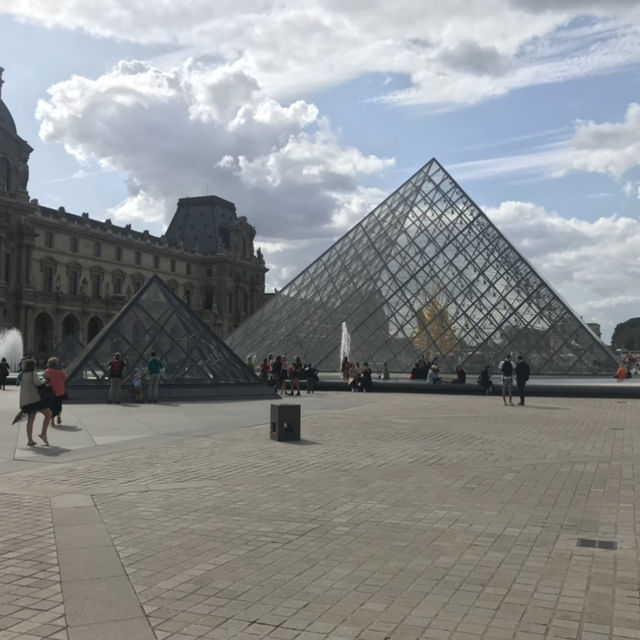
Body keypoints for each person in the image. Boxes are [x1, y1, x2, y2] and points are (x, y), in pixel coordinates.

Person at [19, 358, 52, 446]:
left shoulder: (23, 374)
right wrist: (46, 381)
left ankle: (30, 440)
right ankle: (43, 434)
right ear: (33, 365)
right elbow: (37, 383)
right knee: (48, 414)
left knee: (30, 420)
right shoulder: (33, 373)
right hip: (35, 400)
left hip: (26, 401)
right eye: (35, 364)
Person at [44, 357, 68, 425]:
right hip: (60, 390)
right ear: (56, 363)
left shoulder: (47, 371)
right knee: (59, 404)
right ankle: (59, 416)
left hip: (50, 391)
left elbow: (45, 379)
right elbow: (65, 378)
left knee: (51, 406)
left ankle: (52, 420)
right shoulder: (60, 371)